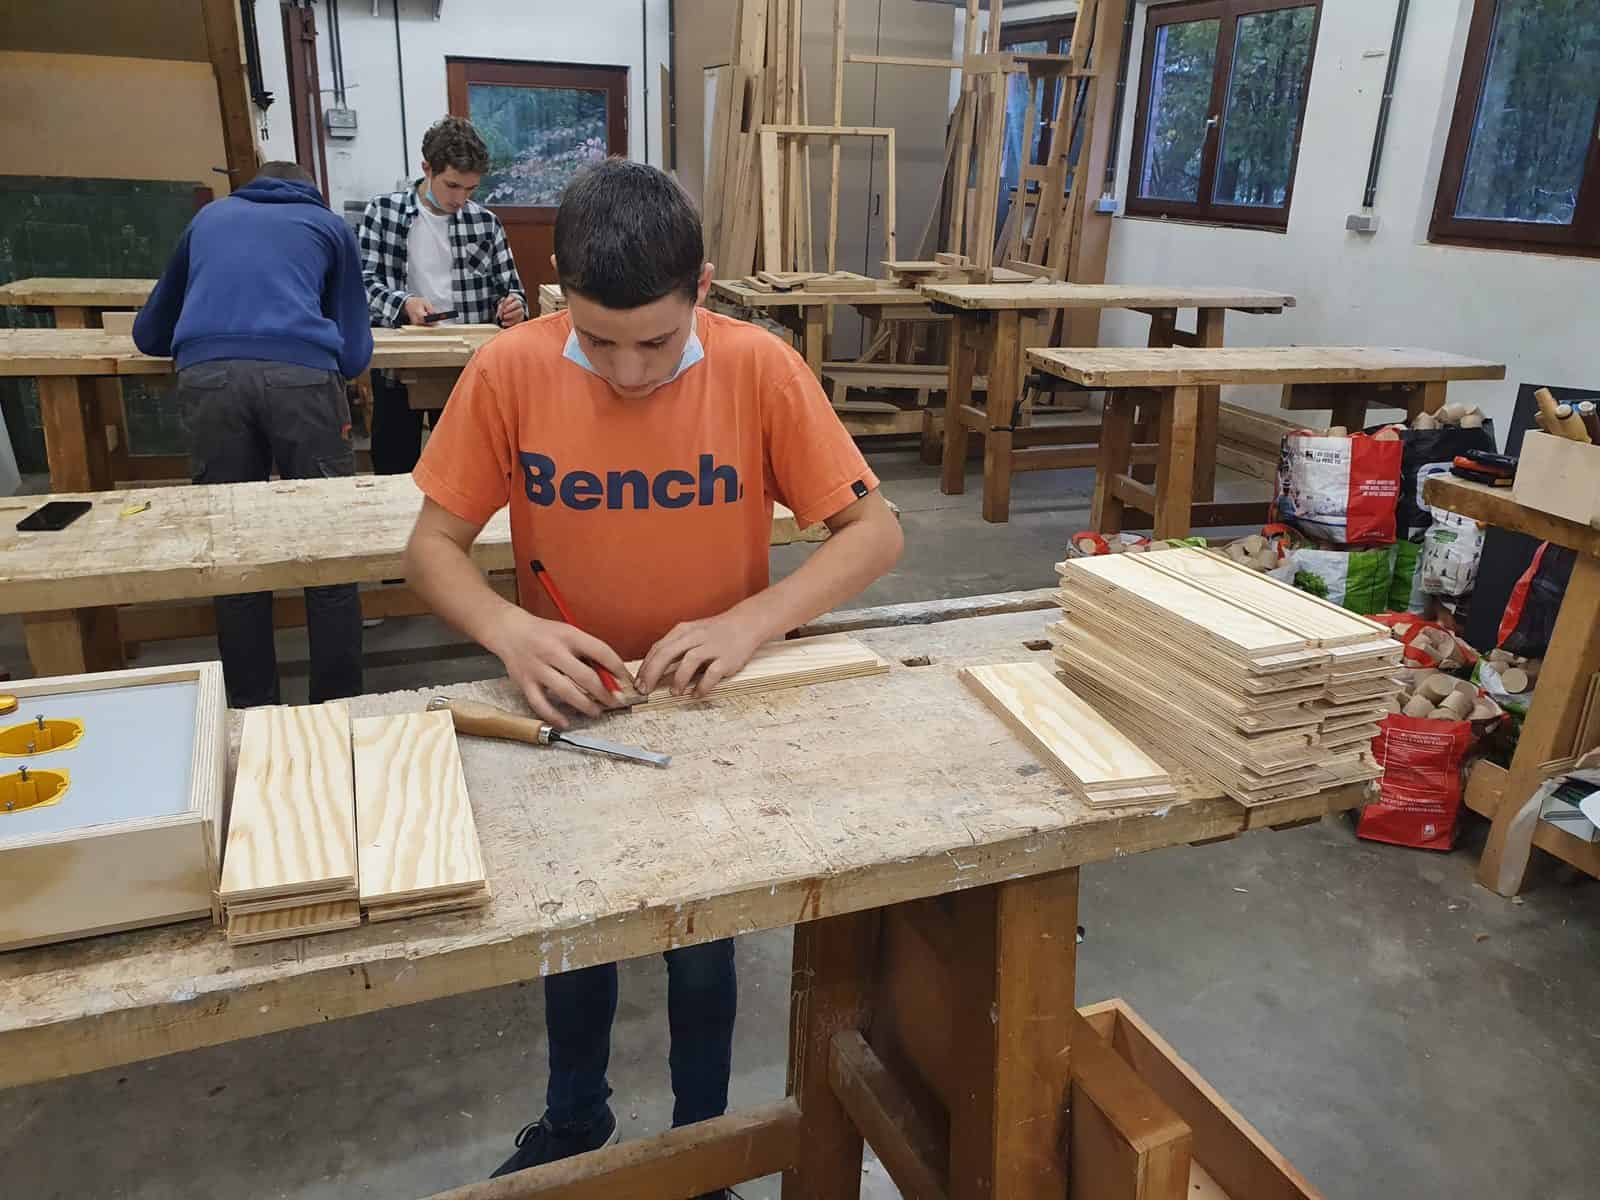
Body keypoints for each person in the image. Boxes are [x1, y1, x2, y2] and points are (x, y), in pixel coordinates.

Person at [403, 159, 903, 1189]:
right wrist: (508, 630)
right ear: (559, 296)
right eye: (598, 341)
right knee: (576, 925)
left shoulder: (758, 369)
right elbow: (430, 549)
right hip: (571, 702)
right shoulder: (509, 371)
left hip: (704, 705)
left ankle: (700, 1147)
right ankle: (574, 1116)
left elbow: (874, 532)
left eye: (657, 343)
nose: (628, 373)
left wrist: (754, 620)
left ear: (702, 290)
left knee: (701, 940)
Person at [134, 161, 373, 708]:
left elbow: (149, 334)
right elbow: (356, 352)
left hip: (210, 380)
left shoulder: (208, 219)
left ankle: (250, 710)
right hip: (302, 380)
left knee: (234, 548)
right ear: (312, 193)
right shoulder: (329, 226)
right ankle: (337, 707)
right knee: (331, 545)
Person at [358, 115, 528, 474]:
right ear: (427, 169)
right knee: (393, 462)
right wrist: (404, 304)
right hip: (399, 362)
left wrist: (513, 306)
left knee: (463, 468)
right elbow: (364, 284)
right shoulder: (384, 213)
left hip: (466, 364)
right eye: (452, 186)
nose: (461, 199)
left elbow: (512, 289)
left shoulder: (485, 223)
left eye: (470, 189)